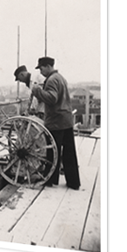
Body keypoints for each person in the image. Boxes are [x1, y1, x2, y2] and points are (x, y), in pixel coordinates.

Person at [32, 57, 81, 190]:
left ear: (48, 66)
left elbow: (52, 98)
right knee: (69, 152)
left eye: (41, 68)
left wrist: (37, 91)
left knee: (53, 152)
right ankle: (73, 182)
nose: (40, 71)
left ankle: (50, 180)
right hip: (66, 119)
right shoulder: (60, 78)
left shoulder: (52, 79)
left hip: (56, 121)